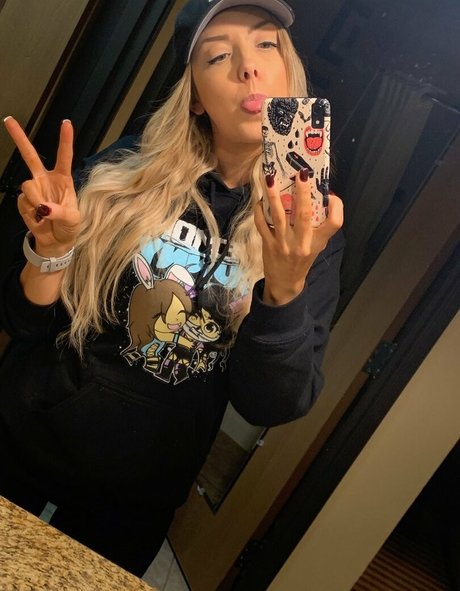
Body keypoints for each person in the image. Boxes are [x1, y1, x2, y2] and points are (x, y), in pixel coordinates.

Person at [0, 0, 344, 577]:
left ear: (290, 71)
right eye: (218, 56)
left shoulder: (313, 231)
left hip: (135, 498)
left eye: (266, 44)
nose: (249, 67)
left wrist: (284, 290)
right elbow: (22, 321)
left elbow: (270, 403)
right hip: (22, 441)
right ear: (195, 97)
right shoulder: (123, 172)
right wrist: (50, 252)